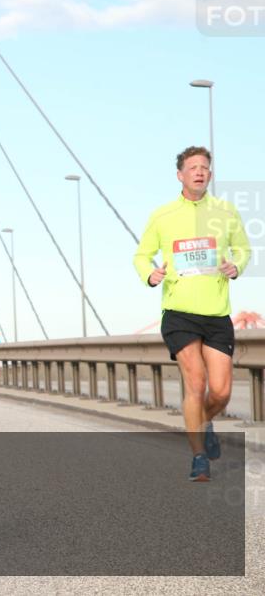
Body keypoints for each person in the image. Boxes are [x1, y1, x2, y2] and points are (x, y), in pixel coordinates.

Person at [133, 146, 250, 482]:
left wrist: (236, 265)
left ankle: (204, 421)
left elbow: (243, 249)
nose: (199, 171)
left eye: (204, 167)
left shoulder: (225, 212)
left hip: (216, 312)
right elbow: (141, 255)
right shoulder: (163, 215)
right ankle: (199, 457)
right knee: (196, 382)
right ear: (180, 175)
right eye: (193, 167)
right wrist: (150, 274)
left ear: (209, 174)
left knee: (222, 392)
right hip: (179, 312)